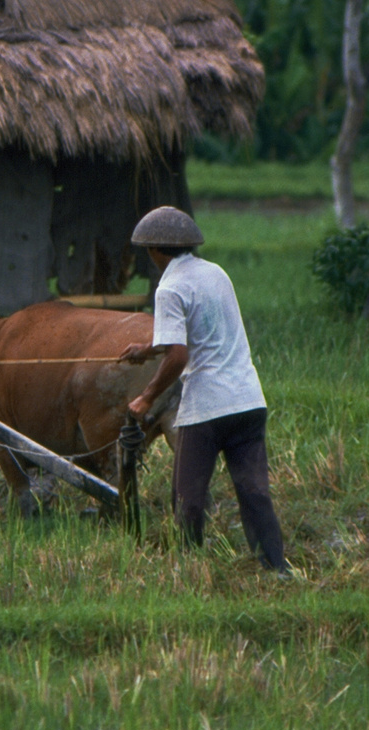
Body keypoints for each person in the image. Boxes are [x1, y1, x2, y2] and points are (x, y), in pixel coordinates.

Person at [119, 206, 290, 575]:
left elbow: (179, 355)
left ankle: (189, 568)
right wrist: (147, 349)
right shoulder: (215, 273)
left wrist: (147, 397)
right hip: (247, 401)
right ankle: (276, 569)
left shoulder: (169, 287)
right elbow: (200, 332)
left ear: (153, 250)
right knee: (255, 493)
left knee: (188, 498)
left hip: (208, 409)